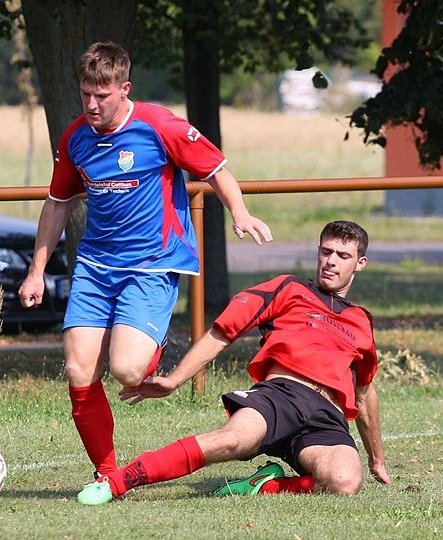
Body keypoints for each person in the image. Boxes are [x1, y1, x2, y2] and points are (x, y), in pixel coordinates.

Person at [17, 41, 272, 479]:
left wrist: (241, 212)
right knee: (79, 370)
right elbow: (57, 203)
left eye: (102, 95)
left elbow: (215, 170)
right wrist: (36, 271)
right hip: (96, 266)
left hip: (152, 265)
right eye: (86, 94)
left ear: (124, 88)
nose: (92, 104)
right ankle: (106, 472)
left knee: (126, 370)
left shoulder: (159, 125)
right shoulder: (76, 136)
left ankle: (153, 343)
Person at [76, 220, 391, 505]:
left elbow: (364, 394)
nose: (331, 261)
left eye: (342, 256)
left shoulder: (361, 320)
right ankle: (117, 482)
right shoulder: (290, 288)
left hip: (327, 416)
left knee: (344, 482)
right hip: (282, 396)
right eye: (326, 252)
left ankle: (264, 485)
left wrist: (377, 459)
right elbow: (222, 331)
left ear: (360, 263)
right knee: (231, 441)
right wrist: (174, 380)